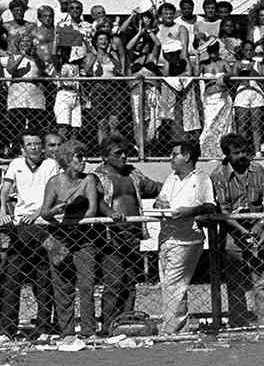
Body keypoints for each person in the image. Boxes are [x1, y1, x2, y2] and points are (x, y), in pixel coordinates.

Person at [94, 135, 161, 331]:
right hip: (110, 237)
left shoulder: (133, 174)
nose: (124, 156)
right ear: (105, 156)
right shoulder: (97, 177)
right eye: (118, 153)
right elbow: (95, 202)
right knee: (113, 282)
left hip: (133, 234)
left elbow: (153, 187)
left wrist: (175, 188)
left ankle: (126, 324)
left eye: (126, 153)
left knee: (130, 283)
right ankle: (108, 327)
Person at [0, 133, 61, 338]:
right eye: (29, 145)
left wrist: (38, 213)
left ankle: (43, 328)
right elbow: (5, 190)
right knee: (11, 278)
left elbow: (54, 192)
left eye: (37, 144)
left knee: (43, 278)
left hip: (43, 225)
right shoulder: (16, 164)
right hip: (21, 228)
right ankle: (7, 328)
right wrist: (3, 211)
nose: (34, 148)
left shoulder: (51, 165)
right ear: (22, 148)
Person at [210, 133, 264, 329]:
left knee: (261, 281)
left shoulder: (258, 170)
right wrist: (243, 231)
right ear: (227, 155)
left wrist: (259, 226)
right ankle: (238, 322)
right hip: (232, 232)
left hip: (257, 228)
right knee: (235, 280)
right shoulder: (218, 175)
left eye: (245, 151)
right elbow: (224, 211)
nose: (242, 156)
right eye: (236, 153)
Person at [153, 140, 216, 335]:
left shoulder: (202, 178)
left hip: (187, 238)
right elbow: (159, 202)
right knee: (168, 284)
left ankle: (172, 329)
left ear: (187, 156)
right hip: (166, 236)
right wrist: (160, 205)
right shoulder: (171, 178)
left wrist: (190, 211)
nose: (170, 158)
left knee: (175, 284)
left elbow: (210, 206)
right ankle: (175, 325)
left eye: (174, 154)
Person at [39, 139, 100, 338]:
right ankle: (66, 332)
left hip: (83, 237)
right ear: (66, 160)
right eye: (78, 157)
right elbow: (45, 212)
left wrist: (75, 213)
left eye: (84, 157)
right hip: (59, 237)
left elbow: (91, 210)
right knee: (62, 286)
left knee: (86, 285)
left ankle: (88, 331)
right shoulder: (55, 182)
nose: (83, 161)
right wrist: (57, 209)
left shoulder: (88, 179)